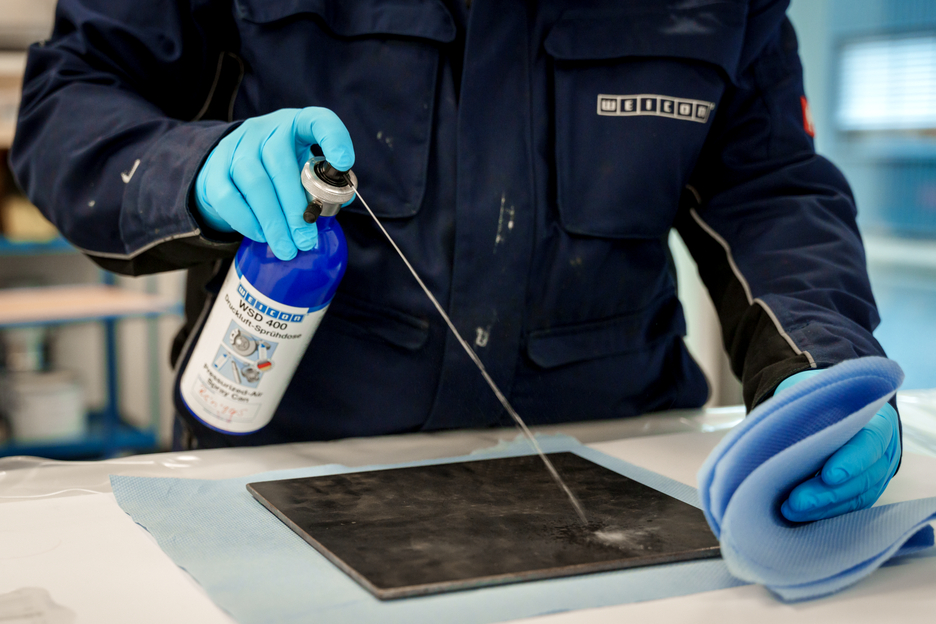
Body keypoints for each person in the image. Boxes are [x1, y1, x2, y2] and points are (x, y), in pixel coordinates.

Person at [9, 0, 899, 522]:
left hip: (625, 474)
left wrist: (818, 363)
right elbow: (68, 102)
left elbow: (767, 183)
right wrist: (193, 170)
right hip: (281, 475)